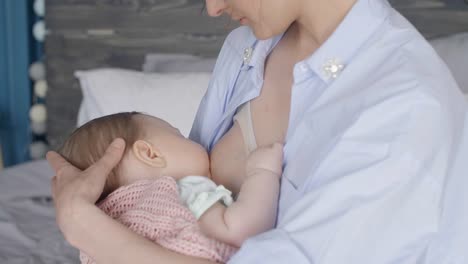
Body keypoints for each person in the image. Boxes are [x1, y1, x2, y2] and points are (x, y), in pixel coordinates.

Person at [48, 0, 468, 263]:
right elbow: (186, 204)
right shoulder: (244, 51)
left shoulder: (404, 109)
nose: (212, 7)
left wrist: (86, 227)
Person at [57, 112, 283, 263]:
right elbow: (239, 231)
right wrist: (263, 173)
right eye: (179, 135)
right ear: (151, 154)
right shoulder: (181, 192)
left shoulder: (93, 240)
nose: (195, 141)